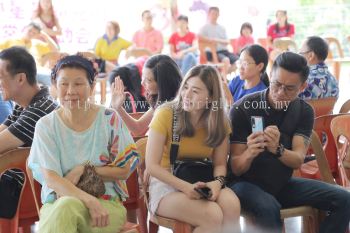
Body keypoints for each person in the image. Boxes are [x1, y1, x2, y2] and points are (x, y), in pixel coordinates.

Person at [228, 52, 350, 233]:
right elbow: (236, 168)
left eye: (289, 88)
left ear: (302, 87)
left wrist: (277, 149)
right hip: (245, 184)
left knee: (345, 199)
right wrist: (250, 152)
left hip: (281, 184)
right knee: (269, 207)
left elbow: (298, 160)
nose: (279, 93)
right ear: (270, 76)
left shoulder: (303, 111)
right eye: (276, 84)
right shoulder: (243, 108)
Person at [28, 54, 139, 232]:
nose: (70, 91)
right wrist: (88, 200)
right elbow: (52, 179)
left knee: (65, 210)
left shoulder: (109, 119)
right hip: (59, 203)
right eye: (64, 84)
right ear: (55, 87)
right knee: (66, 206)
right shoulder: (46, 126)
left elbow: (125, 169)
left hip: (105, 205)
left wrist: (84, 170)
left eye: (78, 84)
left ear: (92, 86)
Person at [146, 65, 241, 233]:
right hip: (166, 182)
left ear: (211, 97)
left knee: (232, 206)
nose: (187, 95)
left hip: (200, 177)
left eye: (195, 91)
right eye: (186, 87)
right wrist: (185, 187)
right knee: (212, 215)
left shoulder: (220, 121)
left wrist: (217, 184)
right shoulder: (166, 113)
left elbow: (220, 164)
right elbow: (152, 166)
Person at [0, 46, 57, 218]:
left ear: (20, 79)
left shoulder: (40, 110)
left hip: (39, 194)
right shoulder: (26, 105)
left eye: (1, 76)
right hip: (24, 188)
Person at [110, 54, 182, 135]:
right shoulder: (162, 100)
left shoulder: (179, 103)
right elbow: (138, 129)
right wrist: (118, 108)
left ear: (163, 83)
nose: (142, 83)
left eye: (148, 80)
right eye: (142, 77)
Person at [198, 6, 238, 75]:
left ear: (219, 15)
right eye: (213, 14)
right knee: (226, 60)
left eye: (216, 14)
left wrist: (217, 40)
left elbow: (227, 41)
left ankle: (221, 77)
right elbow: (199, 38)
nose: (214, 16)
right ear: (209, 14)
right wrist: (210, 40)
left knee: (239, 61)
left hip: (224, 51)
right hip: (212, 53)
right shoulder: (204, 27)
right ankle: (223, 79)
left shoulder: (222, 28)